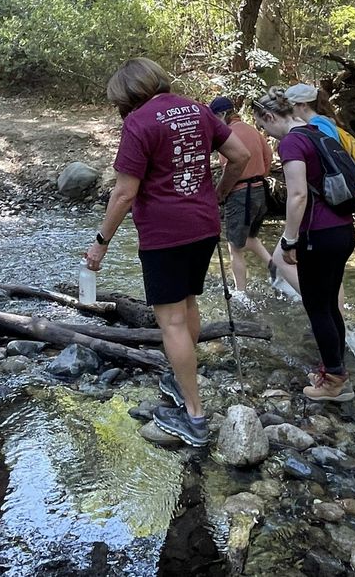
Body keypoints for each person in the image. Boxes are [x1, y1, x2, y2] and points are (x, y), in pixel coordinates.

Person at [84, 59, 250, 447]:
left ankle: (193, 416)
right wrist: (219, 193)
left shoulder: (139, 123)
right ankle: (181, 378)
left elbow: (125, 192)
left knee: (171, 321)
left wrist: (101, 242)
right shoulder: (198, 110)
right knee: (187, 304)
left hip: (164, 232)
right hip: (204, 225)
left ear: (129, 94)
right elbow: (239, 156)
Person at [251, 87, 355, 402]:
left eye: (262, 126)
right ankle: (335, 370)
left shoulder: (292, 142)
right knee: (329, 307)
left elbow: (298, 194)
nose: (264, 133)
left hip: (318, 234)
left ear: (270, 117)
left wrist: (289, 240)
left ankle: (334, 382)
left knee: (318, 308)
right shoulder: (317, 133)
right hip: (342, 229)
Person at [207, 96, 277, 296]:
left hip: (240, 194)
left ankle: (240, 293)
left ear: (221, 115)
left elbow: (229, 167)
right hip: (259, 190)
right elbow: (268, 156)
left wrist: (220, 194)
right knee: (249, 236)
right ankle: (272, 264)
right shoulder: (253, 130)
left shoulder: (227, 135)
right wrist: (260, 175)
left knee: (233, 246)